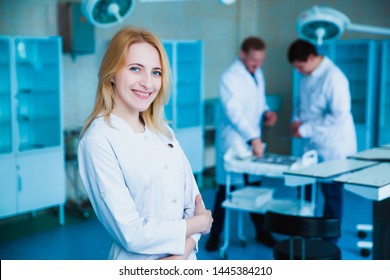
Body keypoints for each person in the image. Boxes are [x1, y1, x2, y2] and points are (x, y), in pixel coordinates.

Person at [77, 26, 213, 260]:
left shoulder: (164, 133)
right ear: (112, 75)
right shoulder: (98, 141)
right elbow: (131, 233)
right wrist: (196, 226)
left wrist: (185, 250)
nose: (147, 83)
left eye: (156, 72)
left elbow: (195, 204)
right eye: (135, 69)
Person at [205, 36, 278, 252]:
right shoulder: (229, 77)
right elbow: (234, 112)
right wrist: (253, 138)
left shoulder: (257, 73)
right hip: (235, 142)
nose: (258, 64)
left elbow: (259, 99)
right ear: (242, 54)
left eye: (261, 60)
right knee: (226, 190)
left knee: (254, 187)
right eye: (254, 60)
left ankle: (262, 232)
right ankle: (214, 235)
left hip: (251, 139)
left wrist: (266, 112)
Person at [287, 39, 357, 227]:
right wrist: (296, 121)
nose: (298, 71)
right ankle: (305, 229)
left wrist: (305, 129)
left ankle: (329, 237)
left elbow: (339, 114)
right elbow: (301, 104)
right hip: (312, 144)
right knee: (305, 188)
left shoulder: (334, 77)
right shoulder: (306, 77)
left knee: (331, 192)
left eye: (300, 66)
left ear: (311, 58)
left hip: (332, 145)